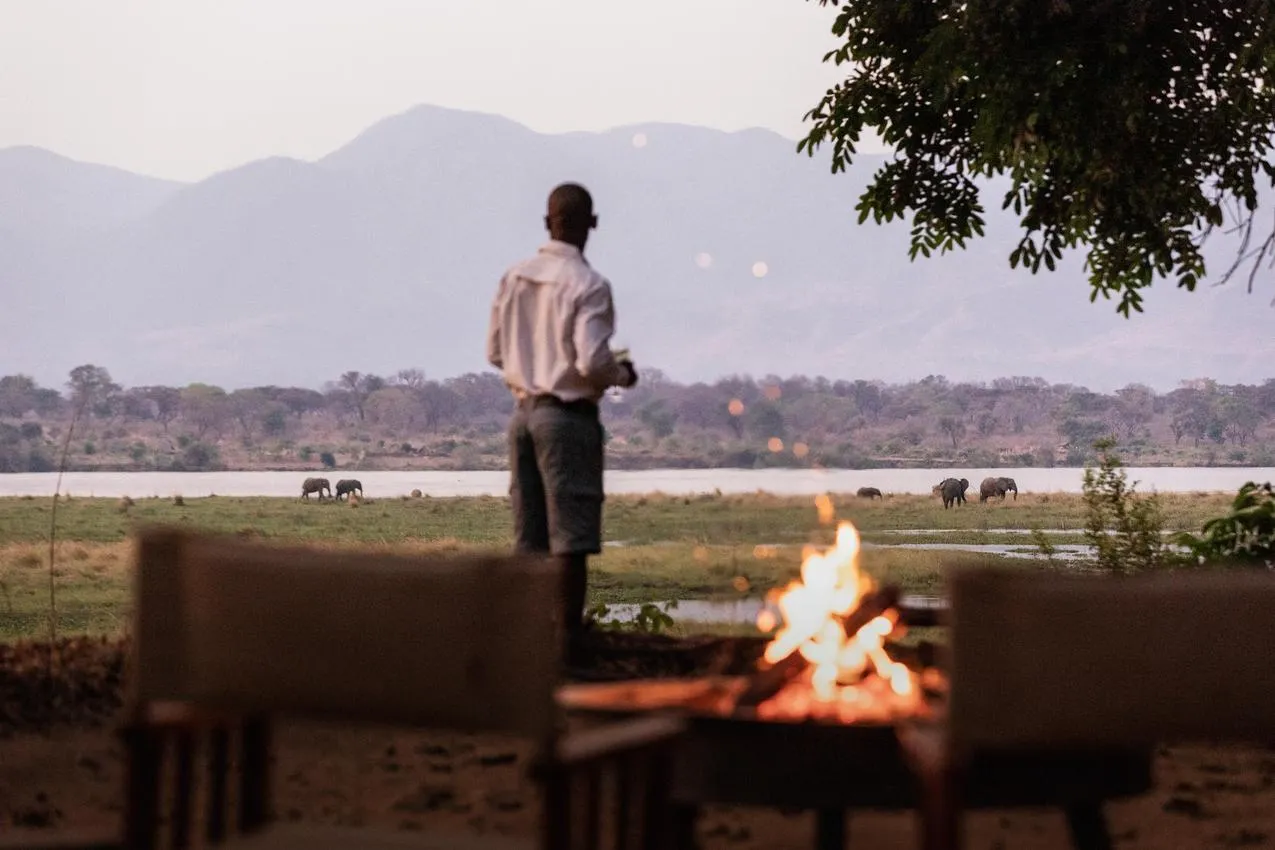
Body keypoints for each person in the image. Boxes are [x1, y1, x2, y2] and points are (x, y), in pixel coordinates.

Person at [486, 182, 638, 658]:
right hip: (567, 419)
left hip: (523, 415)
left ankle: (526, 646)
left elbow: (494, 351)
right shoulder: (589, 285)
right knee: (571, 538)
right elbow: (592, 360)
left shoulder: (514, 277)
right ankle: (567, 647)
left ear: (546, 222)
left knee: (529, 538)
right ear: (591, 225)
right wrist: (621, 374)